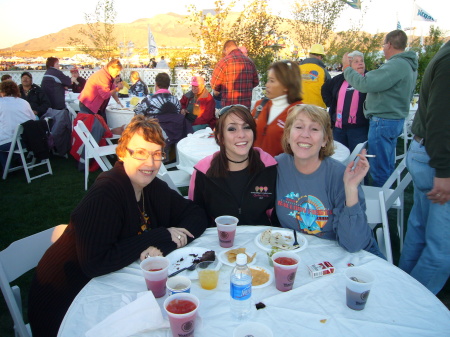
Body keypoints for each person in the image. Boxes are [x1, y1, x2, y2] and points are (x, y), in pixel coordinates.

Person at [28, 115, 208, 337]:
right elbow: (95, 262)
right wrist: (161, 236)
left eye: (156, 154)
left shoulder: (151, 186)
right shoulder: (107, 193)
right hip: (64, 301)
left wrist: (170, 241)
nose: (150, 163)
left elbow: (196, 213)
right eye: (140, 152)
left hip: (107, 285)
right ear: (122, 153)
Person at [275, 104, 383, 257]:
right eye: (299, 127)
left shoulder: (340, 175)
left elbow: (353, 244)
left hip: (345, 256)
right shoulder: (277, 166)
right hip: (298, 254)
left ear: (325, 140)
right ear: (288, 135)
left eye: (314, 129)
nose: (305, 134)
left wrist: (351, 188)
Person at [398, 41, 450, 295]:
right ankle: (411, 306)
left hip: (428, 154)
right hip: (436, 159)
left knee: (419, 231)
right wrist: (444, 171)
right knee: (442, 249)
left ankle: (401, 291)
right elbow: (441, 119)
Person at [342, 30, 418, 187]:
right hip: (392, 120)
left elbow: (365, 84)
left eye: (384, 45)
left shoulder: (397, 65)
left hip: (383, 121)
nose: (383, 49)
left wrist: (347, 69)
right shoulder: (407, 64)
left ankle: (380, 201)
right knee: (387, 164)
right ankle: (387, 195)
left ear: (389, 44)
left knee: (378, 168)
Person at [188, 105, 278, 227]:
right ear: (221, 137)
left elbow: (276, 215)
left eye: (246, 127)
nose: (241, 135)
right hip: (219, 241)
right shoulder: (203, 172)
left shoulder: (269, 167)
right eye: (232, 129)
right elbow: (195, 216)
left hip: (262, 240)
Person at [252, 60, 302, 156]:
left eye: (272, 81)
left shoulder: (299, 112)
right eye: (268, 80)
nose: (267, 85)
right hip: (254, 167)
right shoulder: (260, 105)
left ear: (286, 85)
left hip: (279, 169)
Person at [322, 51, 368, 153]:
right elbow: (325, 88)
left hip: (359, 129)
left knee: (357, 159)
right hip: (339, 128)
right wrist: (331, 103)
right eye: (356, 62)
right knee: (338, 156)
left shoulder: (368, 79)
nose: (360, 63)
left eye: (362, 61)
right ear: (349, 66)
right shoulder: (340, 79)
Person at [210, 40, 259, 109]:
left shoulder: (223, 62)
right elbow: (256, 82)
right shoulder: (250, 62)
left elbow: (215, 86)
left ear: (226, 49)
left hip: (228, 108)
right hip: (245, 109)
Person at [0, 80, 35, 169]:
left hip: (10, 143)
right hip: (27, 141)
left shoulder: (1, 103)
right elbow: (33, 119)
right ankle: (16, 161)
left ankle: (7, 167)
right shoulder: (24, 102)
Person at [298, 44, 331, 109]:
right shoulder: (323, 71)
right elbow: (329, 91)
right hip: (318, 109)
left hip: (298, 107)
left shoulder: (297, 69)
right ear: (319, 56)